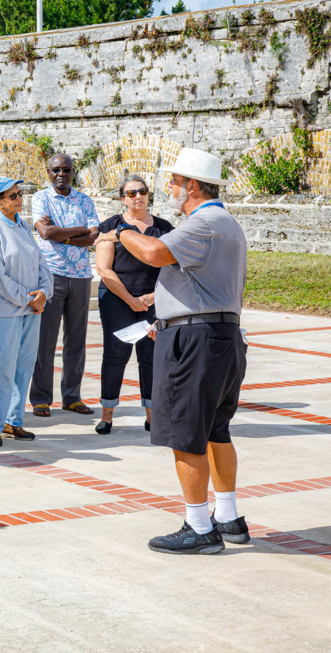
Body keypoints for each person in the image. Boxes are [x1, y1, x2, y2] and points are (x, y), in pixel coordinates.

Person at [94, 148, 248, 555]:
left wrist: (118, 231)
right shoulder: (227, 223)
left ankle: (199, 526)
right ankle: (228, 517)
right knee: (216, 430)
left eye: (176, 183)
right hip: (219, 335)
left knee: (186, 433)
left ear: (193, 186)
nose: (171, 190)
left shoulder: (205, 222)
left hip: (195, 340)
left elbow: (153, 252)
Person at [94, 174, 174, 435]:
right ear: (122, 198)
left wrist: (153, 296)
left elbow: (173, 269)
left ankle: (152, 416)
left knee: (150, 357)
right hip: (116, 299)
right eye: (131, 193)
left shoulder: (164, 228)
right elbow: (104, 269)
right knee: (115, 355)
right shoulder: (111, 226)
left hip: (154, 299)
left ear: (148, 194)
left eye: (142, 191)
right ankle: (107, 415)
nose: (138, 197)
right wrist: (129, 299)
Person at [0, 178, 53, 448]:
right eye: (12, 196)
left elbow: (40, 261)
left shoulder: (22, 224)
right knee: (5, 368)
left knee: (24, 366)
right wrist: (27, 299)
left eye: (19, 194)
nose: (19, 199)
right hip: (6, 310)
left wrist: (45, 291)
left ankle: (12, 420)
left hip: (31, 309)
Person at [29, 153, 100, 418]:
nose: (61, 174)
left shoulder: (85, 200)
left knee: (77, 340)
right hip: (52, 276)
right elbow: (45, 233)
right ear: (48, 172)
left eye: (66, 169)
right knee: (45, 341)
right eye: (56, 169)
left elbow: (94, 236)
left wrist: (64, 235)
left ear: (73, 171)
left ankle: (72, 397)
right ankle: (41, 398)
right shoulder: (41, 198)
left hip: (81, 277)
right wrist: (78, 230)